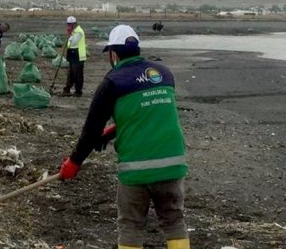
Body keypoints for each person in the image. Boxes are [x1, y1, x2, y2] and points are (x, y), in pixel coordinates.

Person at [58, 25, 190, 249]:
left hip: (136, 169)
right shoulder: (164, 74)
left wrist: (74, 162)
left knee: (131, 224)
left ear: (113, 54)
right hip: (172, 164)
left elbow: (90, 131)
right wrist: (111, 131)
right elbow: (146, 112)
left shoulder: (112, 82)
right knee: (174, 220)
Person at [62, 16, 86, 97]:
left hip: (78, 55)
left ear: (74, 24)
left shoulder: (79, 31)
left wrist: (70, 35)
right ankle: (67, 89)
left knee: (78, 74)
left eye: (70, 24)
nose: (68, 26)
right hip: (72, 53)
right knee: (70, 73)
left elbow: (74, 42)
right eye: (68, 24)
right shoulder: (73, 32)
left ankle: (78, 91)